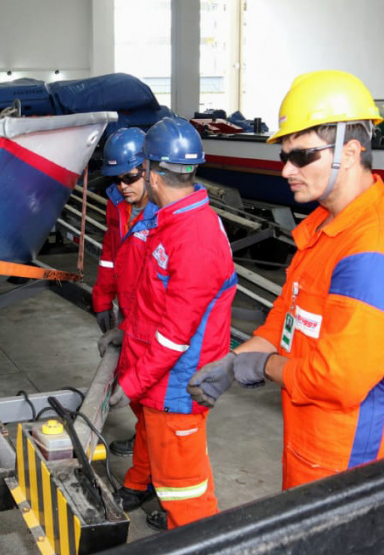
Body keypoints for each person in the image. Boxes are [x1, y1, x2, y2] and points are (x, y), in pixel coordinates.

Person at [188, 70, 384, 490]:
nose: (286, 170)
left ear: (350, 152)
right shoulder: (326, 227)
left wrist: (262, 365)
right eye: (284, 156)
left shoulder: (373, 250)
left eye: (301, 156)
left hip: (355, 448)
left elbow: (340, 380)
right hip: (316, 436)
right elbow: (290, 313)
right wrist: (239, 356)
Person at [105, 117, 236, 530]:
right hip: (161, 383)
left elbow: (174, 336)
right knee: (173, 481)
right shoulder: (172, 222)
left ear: (151, 173)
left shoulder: (193, 238)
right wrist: (125, 334)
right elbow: (152, 305)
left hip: (176, 389)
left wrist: (127, 385)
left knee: (186, 498)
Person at [92, 128, 151, 462]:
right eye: (115, 180)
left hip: (152, 316)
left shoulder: (164, 212)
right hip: (130, 312)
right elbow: (110, 253)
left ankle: (149, 441)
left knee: (152, 388)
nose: (122, 186)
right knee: (134, 381)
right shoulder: (117, 204)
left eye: (129, 177)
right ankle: (145, 436)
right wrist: (102, 298)